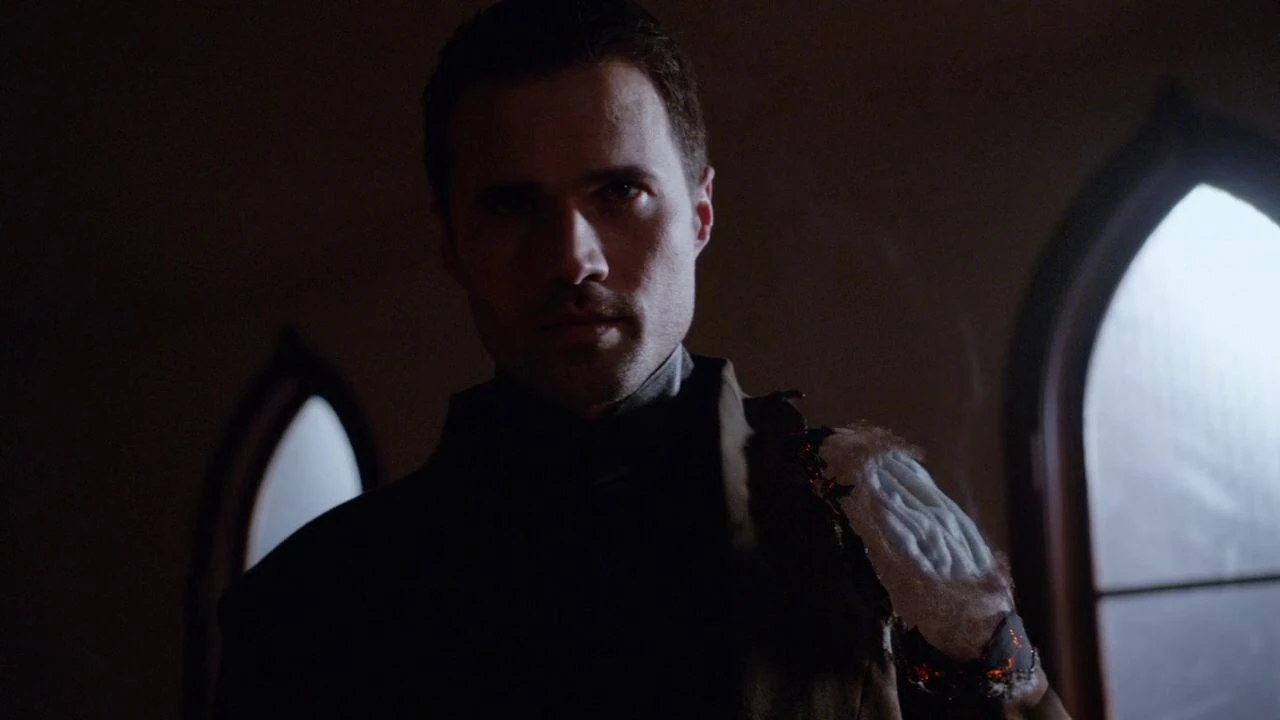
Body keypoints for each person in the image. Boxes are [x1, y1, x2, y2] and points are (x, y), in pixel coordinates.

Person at [212, 1, 1071, 718]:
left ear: (699, 214)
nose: (571, 258)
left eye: (619, 191)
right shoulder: (316, 607)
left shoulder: (863, 541)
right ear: (453, 243)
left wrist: (971, 650)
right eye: (511, 206)